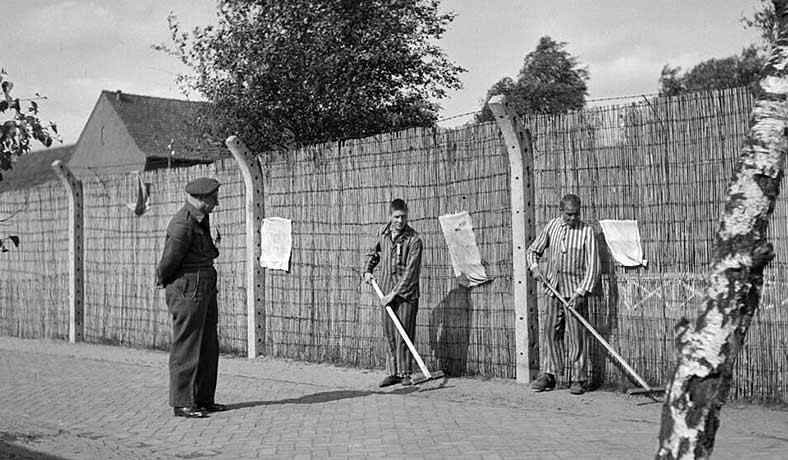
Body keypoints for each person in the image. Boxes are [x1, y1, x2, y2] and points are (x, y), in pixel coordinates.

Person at [156, 177, 228, 418]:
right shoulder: (183, 224)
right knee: (187, 346)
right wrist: (166, 282)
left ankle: (203, 399)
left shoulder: (200, 219)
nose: (216, 203)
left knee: (208, 345)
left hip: (203, 285)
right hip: (188, 288)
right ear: (201, 198)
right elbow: (169, 261)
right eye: (213, 198)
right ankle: (182, 402)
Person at [526, 194, 599, 395]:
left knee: (577, 336)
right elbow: (532, 251)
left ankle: (578, 379)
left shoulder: (587, 232)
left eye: (576, 214)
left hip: (575, 293)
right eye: (568, 215)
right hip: (553, 290)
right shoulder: (552, 227)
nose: (572, 218)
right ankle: (550, 374)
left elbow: (593, 266)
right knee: (551, 332)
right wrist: (534, 268)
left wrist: (582, 292)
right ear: (561, 211)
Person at [363, 198, 424, 387]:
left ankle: (405, 373)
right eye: (396, 217)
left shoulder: (414, 240)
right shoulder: (383, 234)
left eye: (403, 217)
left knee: (404, 333)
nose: (400, 221)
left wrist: (394, 294)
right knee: (389, 333)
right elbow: (373, 253)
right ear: (390, 216)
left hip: (406, 295)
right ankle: (393, 373)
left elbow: (411, 272)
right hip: (386, 291)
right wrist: (368, 270)